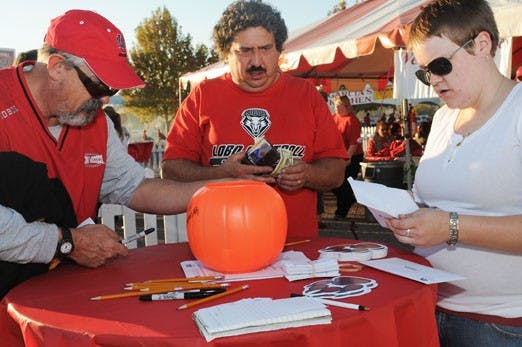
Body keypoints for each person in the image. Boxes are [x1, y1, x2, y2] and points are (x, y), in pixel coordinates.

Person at [0, 9, 211, 298]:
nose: (105, 99)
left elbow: (134, 186)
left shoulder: (94, 121)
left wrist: (218, 190)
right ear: (57, 67)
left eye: (111, 88)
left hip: (60, 295)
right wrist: (67, 243)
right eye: (99, 85)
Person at [387, 1, 522, 345]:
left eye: (441, 65)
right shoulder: (445, 118)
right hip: (430, 307)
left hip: (501, 323)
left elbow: (450, 218)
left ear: (482, 45)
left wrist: (449, 227)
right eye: (424, 72)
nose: (433, 80)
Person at [161, 0, 347, 238]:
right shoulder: (203, 95)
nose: (257, 62)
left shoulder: (306, 94)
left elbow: (336, 172)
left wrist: (306, 174)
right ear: (226, 53)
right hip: (220, 244)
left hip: (295, 249)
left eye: (266, 49)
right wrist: (223, 175)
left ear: (279, 50)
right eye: (245, 51)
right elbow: (172, 169)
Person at [331, 95, 364, 220]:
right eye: (335, 106)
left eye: (339, 106)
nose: (337, 109)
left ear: (346, 106)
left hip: (352, 155)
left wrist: (347, 160)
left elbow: (353, 144)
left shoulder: (352, 120)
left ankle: (341, 212)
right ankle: (352, 198)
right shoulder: (334, 118)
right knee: (335, 183)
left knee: (343, 184)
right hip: (339, 155)